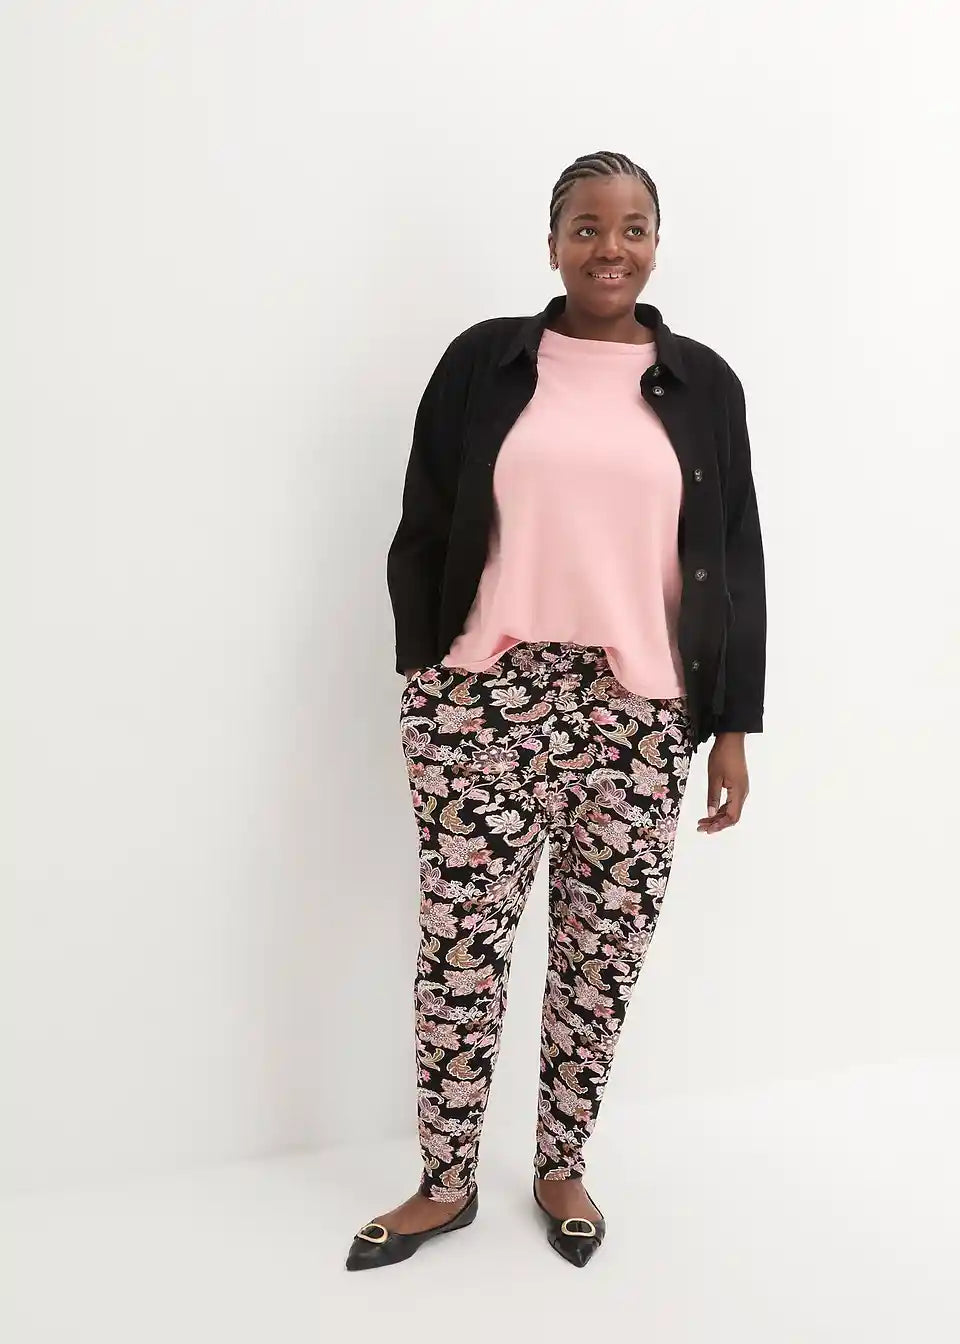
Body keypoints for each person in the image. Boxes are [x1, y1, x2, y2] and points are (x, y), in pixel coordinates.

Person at [345, 149, 766, 1271]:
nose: (608, 249)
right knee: (461, 947)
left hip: (639, 709)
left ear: (656, 244)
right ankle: (444, 1183)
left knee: (603, 950)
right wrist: (428, 677)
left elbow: (734, 558)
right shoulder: (485, 362)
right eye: (586, 227)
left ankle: (561, 1163)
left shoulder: (705, 385)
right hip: (484, 696)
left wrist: (731, 726)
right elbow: (424, 521)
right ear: (552, 243)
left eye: (631, 228)